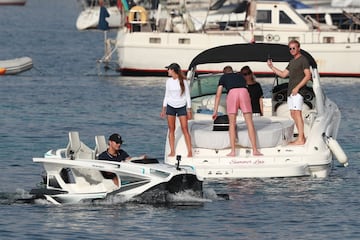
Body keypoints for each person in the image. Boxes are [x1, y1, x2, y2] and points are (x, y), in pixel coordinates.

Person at [267, 39, 311, 145]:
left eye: (294, 48)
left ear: (298, 48)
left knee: (297, 113)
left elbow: (308, 75)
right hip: (291, 92)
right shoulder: (292, 62)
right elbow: (283, 74)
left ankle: (301, 138)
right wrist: (272, 67)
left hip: (298, 91)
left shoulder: (303, 60)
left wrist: (297, 87)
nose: (292, 50)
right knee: (292, 113)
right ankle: (302, 137)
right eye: (290, 48)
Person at [212, 65, 262, 156]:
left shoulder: (223, 77)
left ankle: (233, 151)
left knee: (232, 124)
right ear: (232, 71)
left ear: (224, 72)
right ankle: (255, 150)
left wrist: (215, 110)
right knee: (249, 122)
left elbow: (218, 95)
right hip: (244, 92)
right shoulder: (240, 76)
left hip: (232, 93)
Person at [160, 63, 193, 157]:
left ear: (173, 70)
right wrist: (163, 109)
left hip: (181, 106)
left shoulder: (183, 81)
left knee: (185, 128)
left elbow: (187, 96)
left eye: (169, 69)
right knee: (171, 129)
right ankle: (172, 151)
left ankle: (189, 151)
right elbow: (166, 95)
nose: (168, 71)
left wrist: (189, 110)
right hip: (171, 107)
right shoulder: (168, 81)